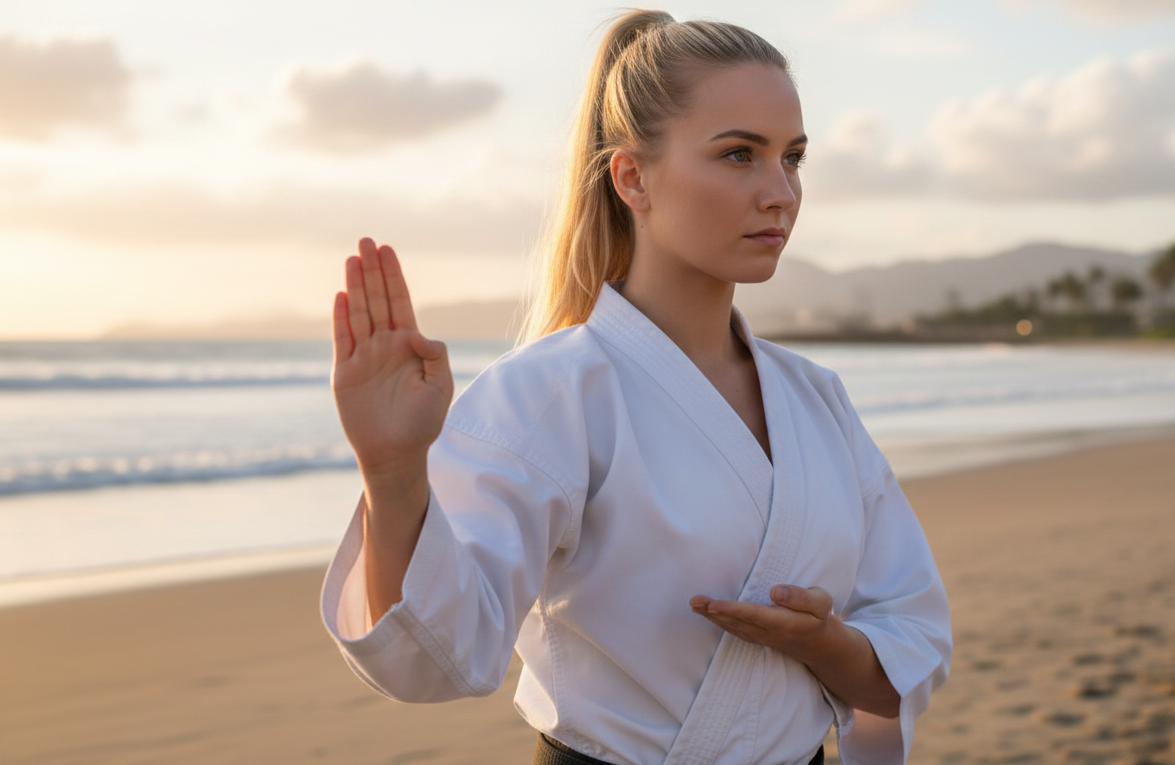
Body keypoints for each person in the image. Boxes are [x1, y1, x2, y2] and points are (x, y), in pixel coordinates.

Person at [320, 10, 951, 765]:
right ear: (632, 177)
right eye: (739, 155)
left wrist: (828, 644)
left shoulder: (816, 398)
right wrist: (392, 476)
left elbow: (910, 640)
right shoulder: (547, 394)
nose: (780, 192)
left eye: (793, 157)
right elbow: (436, 659)